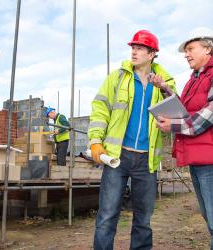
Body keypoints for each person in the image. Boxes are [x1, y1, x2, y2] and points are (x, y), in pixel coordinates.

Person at [88, 30, 176, 250]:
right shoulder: (117, 77)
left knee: (143, 220)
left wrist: (164, 89)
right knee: (107, 215)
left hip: (147, 161)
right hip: (118, 157)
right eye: (133, 48)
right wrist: (95, 141)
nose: (134, 52)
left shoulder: (165, 82)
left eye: (140, 48)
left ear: (152, 54)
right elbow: (100, 109)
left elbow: (177, 115)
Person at [153, 27, 213, 250]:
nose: (186, 54)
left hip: (210, 159)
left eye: (190, 49)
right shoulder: (194, 79)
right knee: (208, 216)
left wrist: (173, 125)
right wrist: (165, 90)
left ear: (207, 48)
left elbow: (208, 114)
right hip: (199, 159)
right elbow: (184, 109)